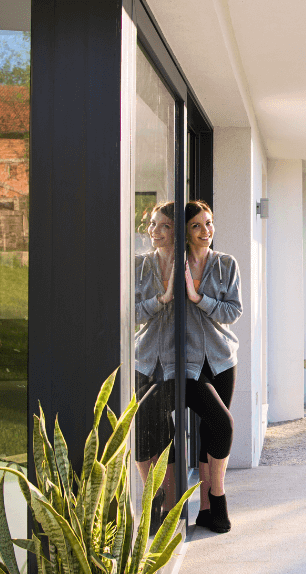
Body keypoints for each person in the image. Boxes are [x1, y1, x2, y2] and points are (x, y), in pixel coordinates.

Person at [183, 200, 240, 533]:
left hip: (221, 358)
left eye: (209, 223)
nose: (206, 231)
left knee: (211, 431)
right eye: (197, 226)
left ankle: (205, 510)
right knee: (223, 423)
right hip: (188, 364)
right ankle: (218, 499)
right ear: (187, 232)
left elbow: (232, 312)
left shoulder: (226, 265)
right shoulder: (175, 265)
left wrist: (198, 298)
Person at [134, 201, 178, 521]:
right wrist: (161, 300)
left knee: (162, 430)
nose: (154, 231)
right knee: (140, 431)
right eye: (152, 224)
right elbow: (132, 312)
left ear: (176, 229)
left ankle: (169, 504)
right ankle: (153, 497)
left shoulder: (190, 266)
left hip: (176, 363)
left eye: (163, 225)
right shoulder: (139, 265)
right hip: (144, 358)